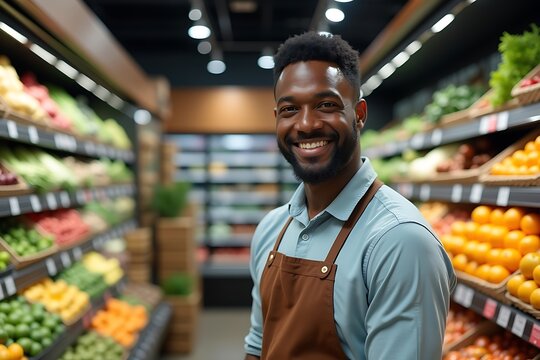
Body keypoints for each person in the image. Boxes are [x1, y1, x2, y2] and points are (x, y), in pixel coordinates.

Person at [243, 31, 456, 360]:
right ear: (276, 119)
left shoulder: (400, 241)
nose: (306, 124)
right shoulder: (271, 229)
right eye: (289, 110)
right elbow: (258, 346)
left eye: (325, 105)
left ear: (359, 114)